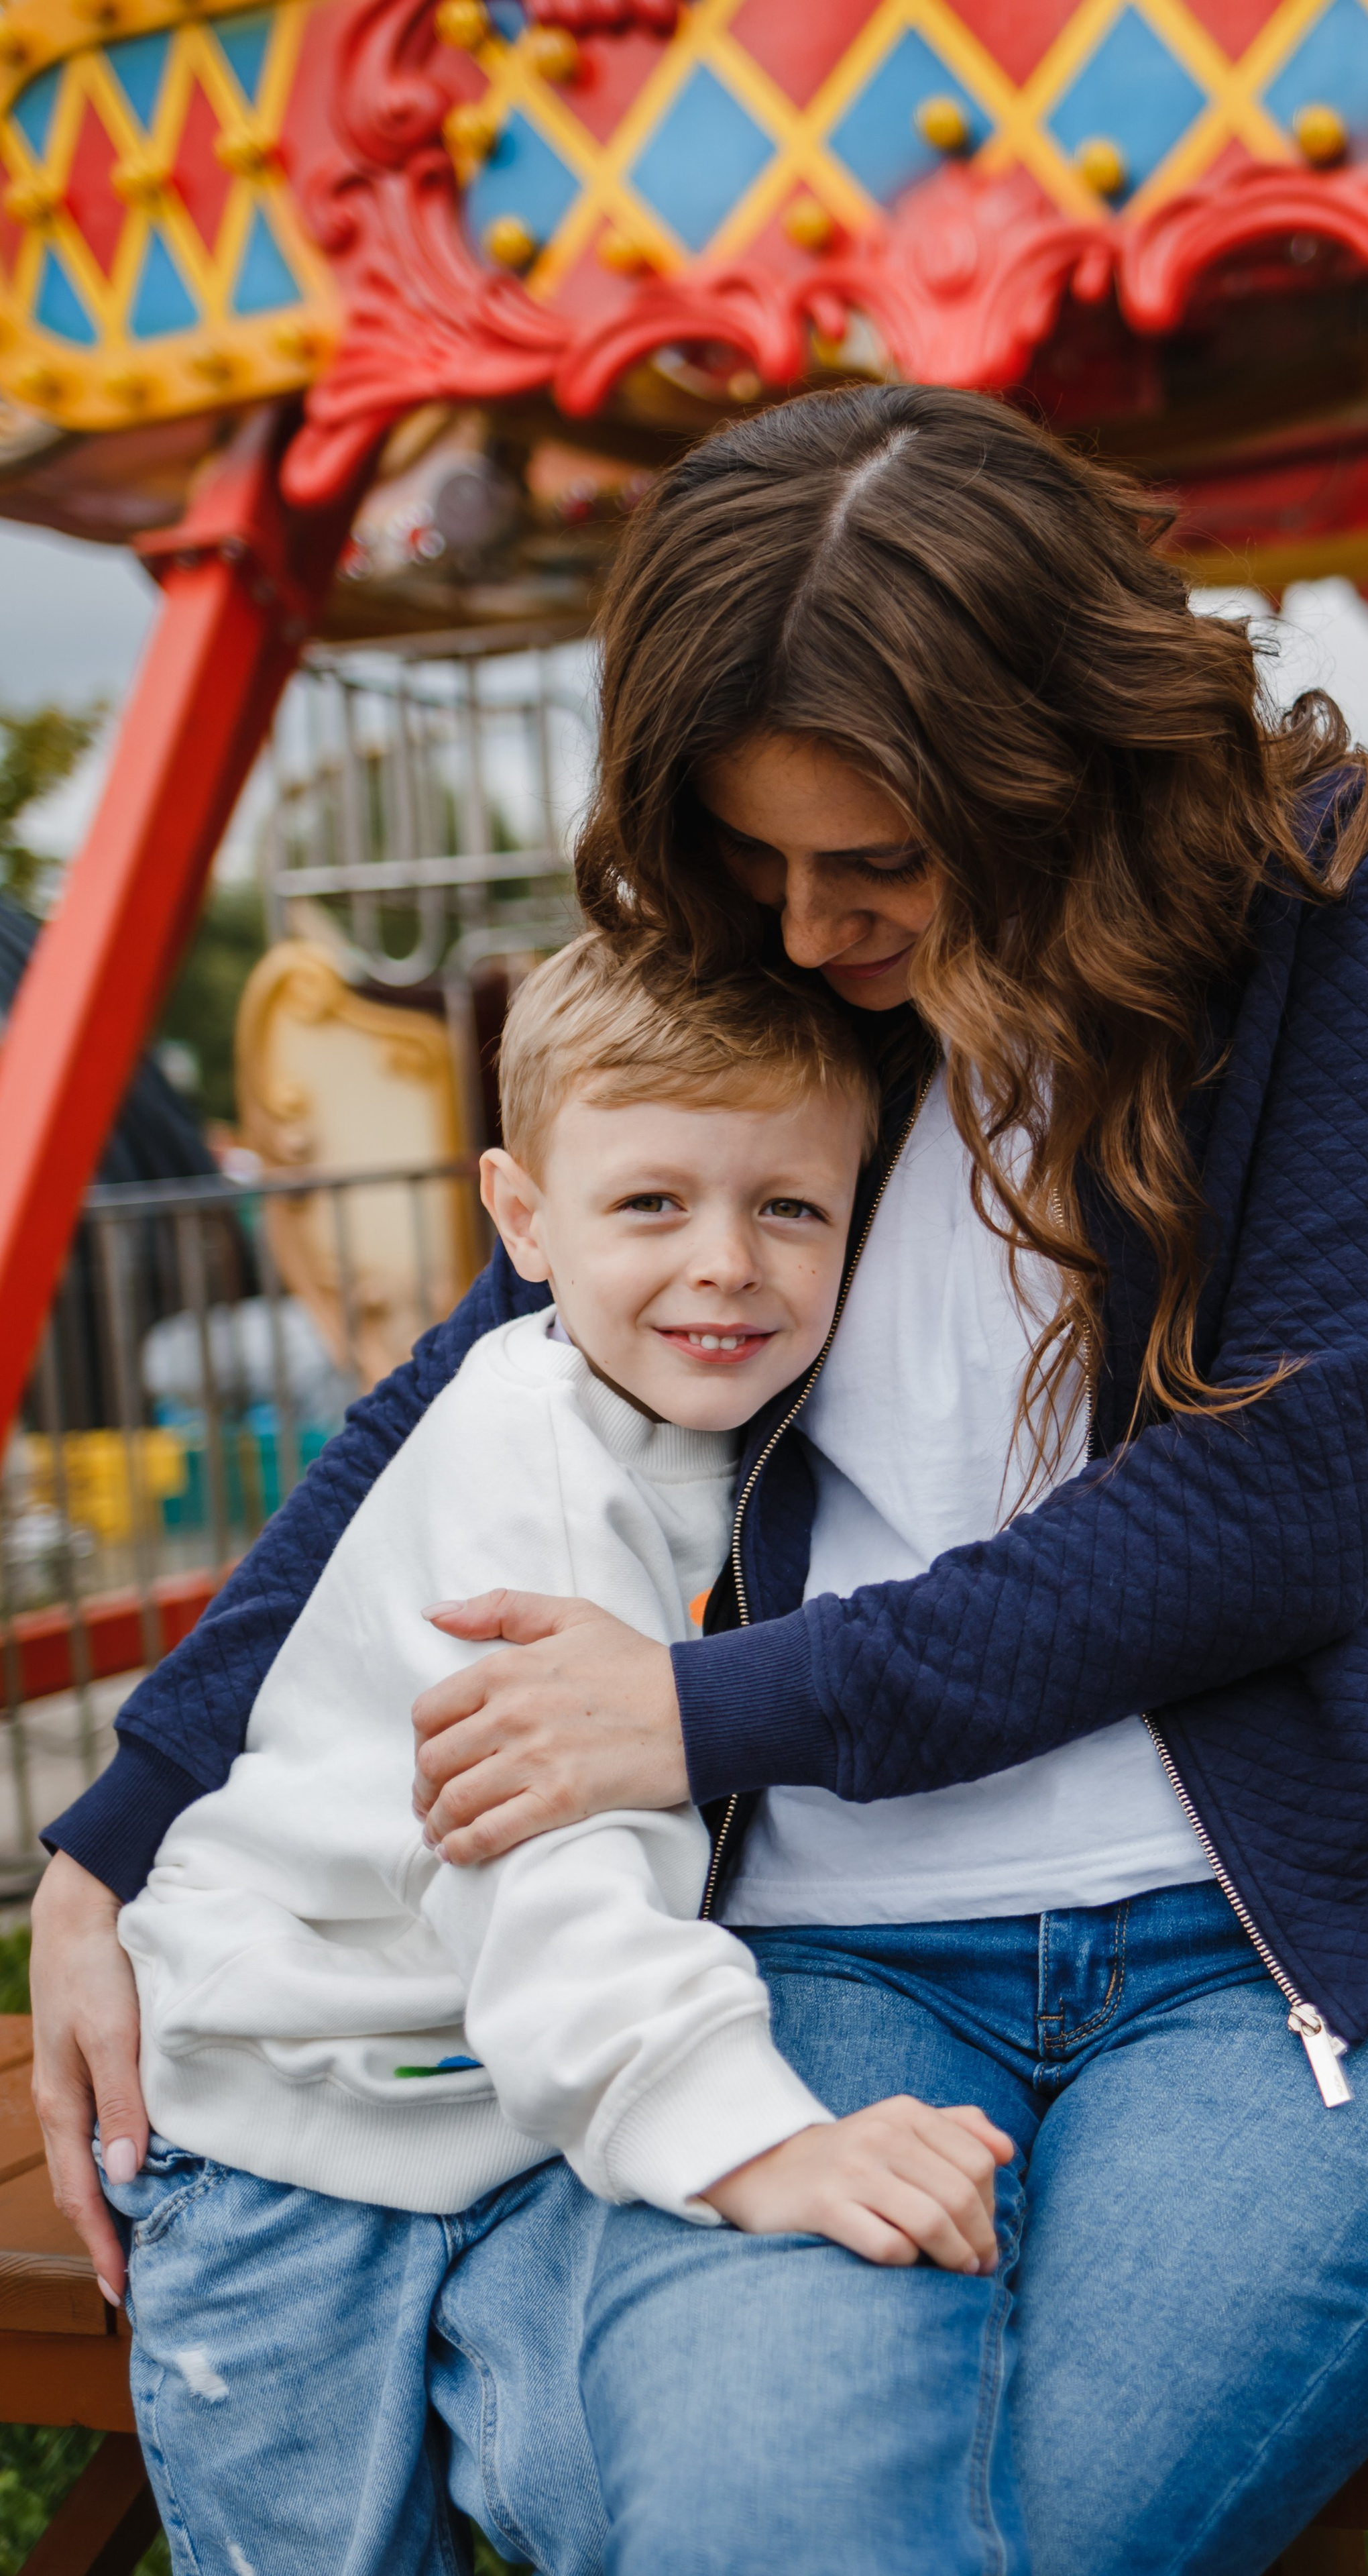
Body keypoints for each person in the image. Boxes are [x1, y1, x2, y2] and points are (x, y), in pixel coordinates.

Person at [36, 383, 1368, 2576]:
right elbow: (473, 1383)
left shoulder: (1338, 897)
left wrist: (700, 1707)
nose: (813, 926)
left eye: (881, 865)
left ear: (1050, 771)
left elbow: (1282, 1502)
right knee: (773, 2527)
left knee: (1029, 2536)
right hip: (821, 1958)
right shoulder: (782, 976)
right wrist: (124, 1828)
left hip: (1286, 1964)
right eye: (759, 863)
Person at [102, 933, 1010, 2575]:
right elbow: (546, 1858)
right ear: (522, 1220)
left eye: (789, 1208)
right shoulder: (530, 1463)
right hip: (287, 2130)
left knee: (638, 2491)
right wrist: (764, 2146)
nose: (724, 1264)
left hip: (513, 2114)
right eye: (650, 1204)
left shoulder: (722, 1433)